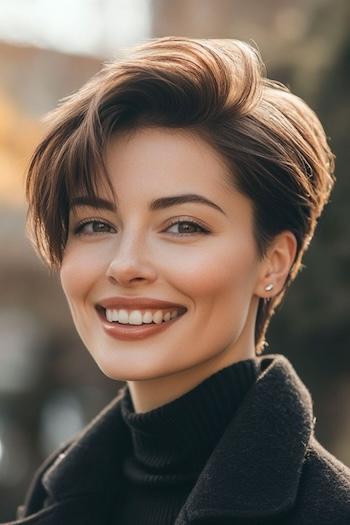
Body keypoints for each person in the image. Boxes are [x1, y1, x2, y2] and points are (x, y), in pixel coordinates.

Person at [7, 36, 350, 524]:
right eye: (95, 225)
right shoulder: (56, 495)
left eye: (183, 226)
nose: (124, 265)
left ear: (273, 262)